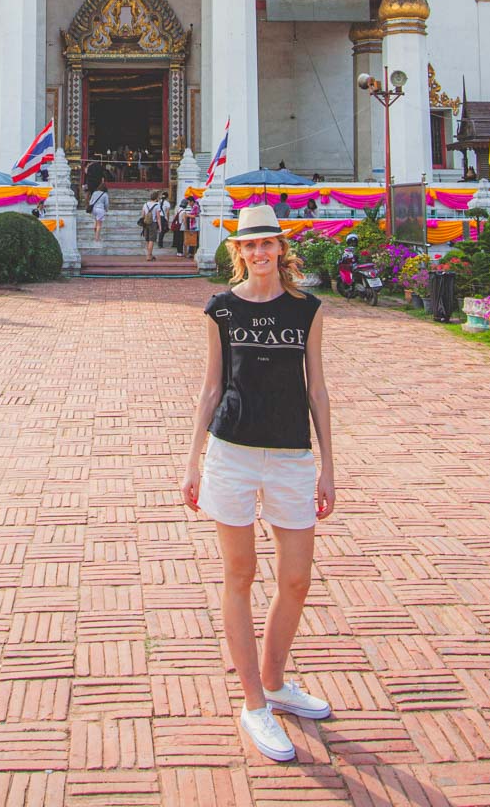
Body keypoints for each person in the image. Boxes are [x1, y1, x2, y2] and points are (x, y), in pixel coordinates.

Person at [181, 204, 335, 763]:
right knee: (240, 575)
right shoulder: (220, 309)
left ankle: (274, 682)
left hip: (292, 454)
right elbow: (210, 388)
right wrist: (193, 461)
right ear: (239, 252)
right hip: (232, 453)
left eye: (268, 243)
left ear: (281, 249)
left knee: (296, 580)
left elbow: (317, 389)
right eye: (250, 245)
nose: (260, 253)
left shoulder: (308, 309)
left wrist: (329, 466)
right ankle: (253, 704)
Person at [140, 190, 160, 262]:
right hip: (153, 223)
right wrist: (160, 226)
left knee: (147, 240)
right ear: (156, 197)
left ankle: (149, 254)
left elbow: (142, 215)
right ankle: (149, 256)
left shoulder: (145, 204)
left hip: (146, 223)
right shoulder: (157, 205)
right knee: (152, 240)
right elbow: (158, 217)